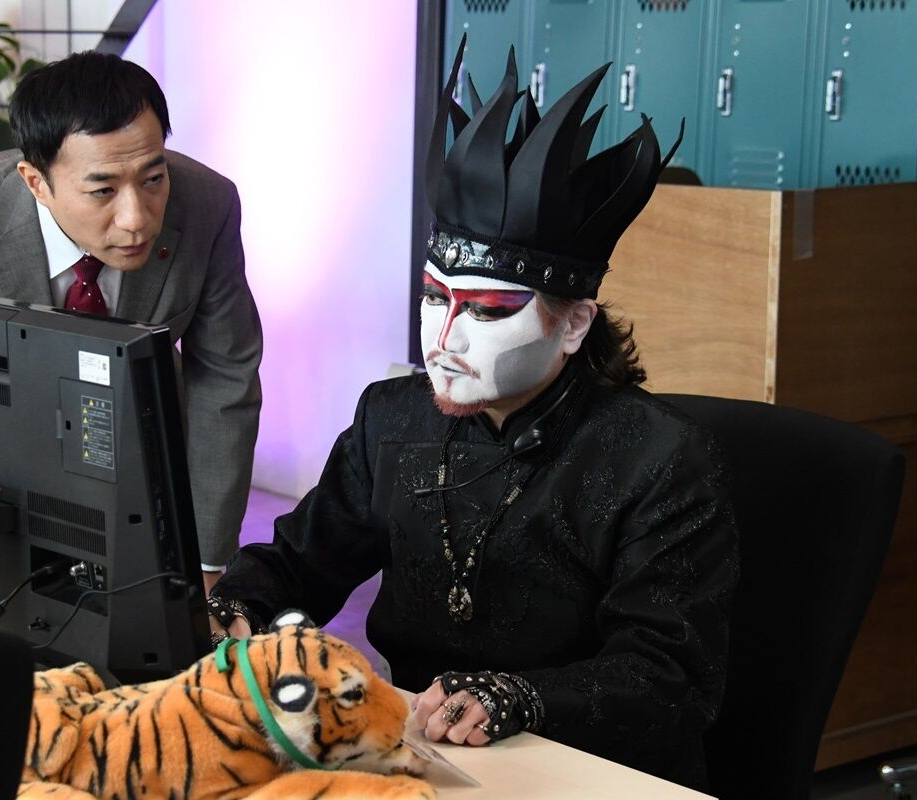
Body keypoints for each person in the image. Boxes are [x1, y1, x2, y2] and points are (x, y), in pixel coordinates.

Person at [206, 40, 737, 791]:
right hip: (427, 757)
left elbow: (669, 674)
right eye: (434, 297)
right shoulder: (394, 418)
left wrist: (520, 698)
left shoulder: (657, 459)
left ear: (573, 325)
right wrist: (239, 605)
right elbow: (302, 561)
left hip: (591, 771)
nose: (444, 339)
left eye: (486, 310)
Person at [0, 52, 262, 588]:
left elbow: (224, 376)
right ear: (35, 182)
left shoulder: (208, 204)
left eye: (153, 178)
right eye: (102, 190)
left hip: (139, 468)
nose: (137, 219)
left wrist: (205, 562)